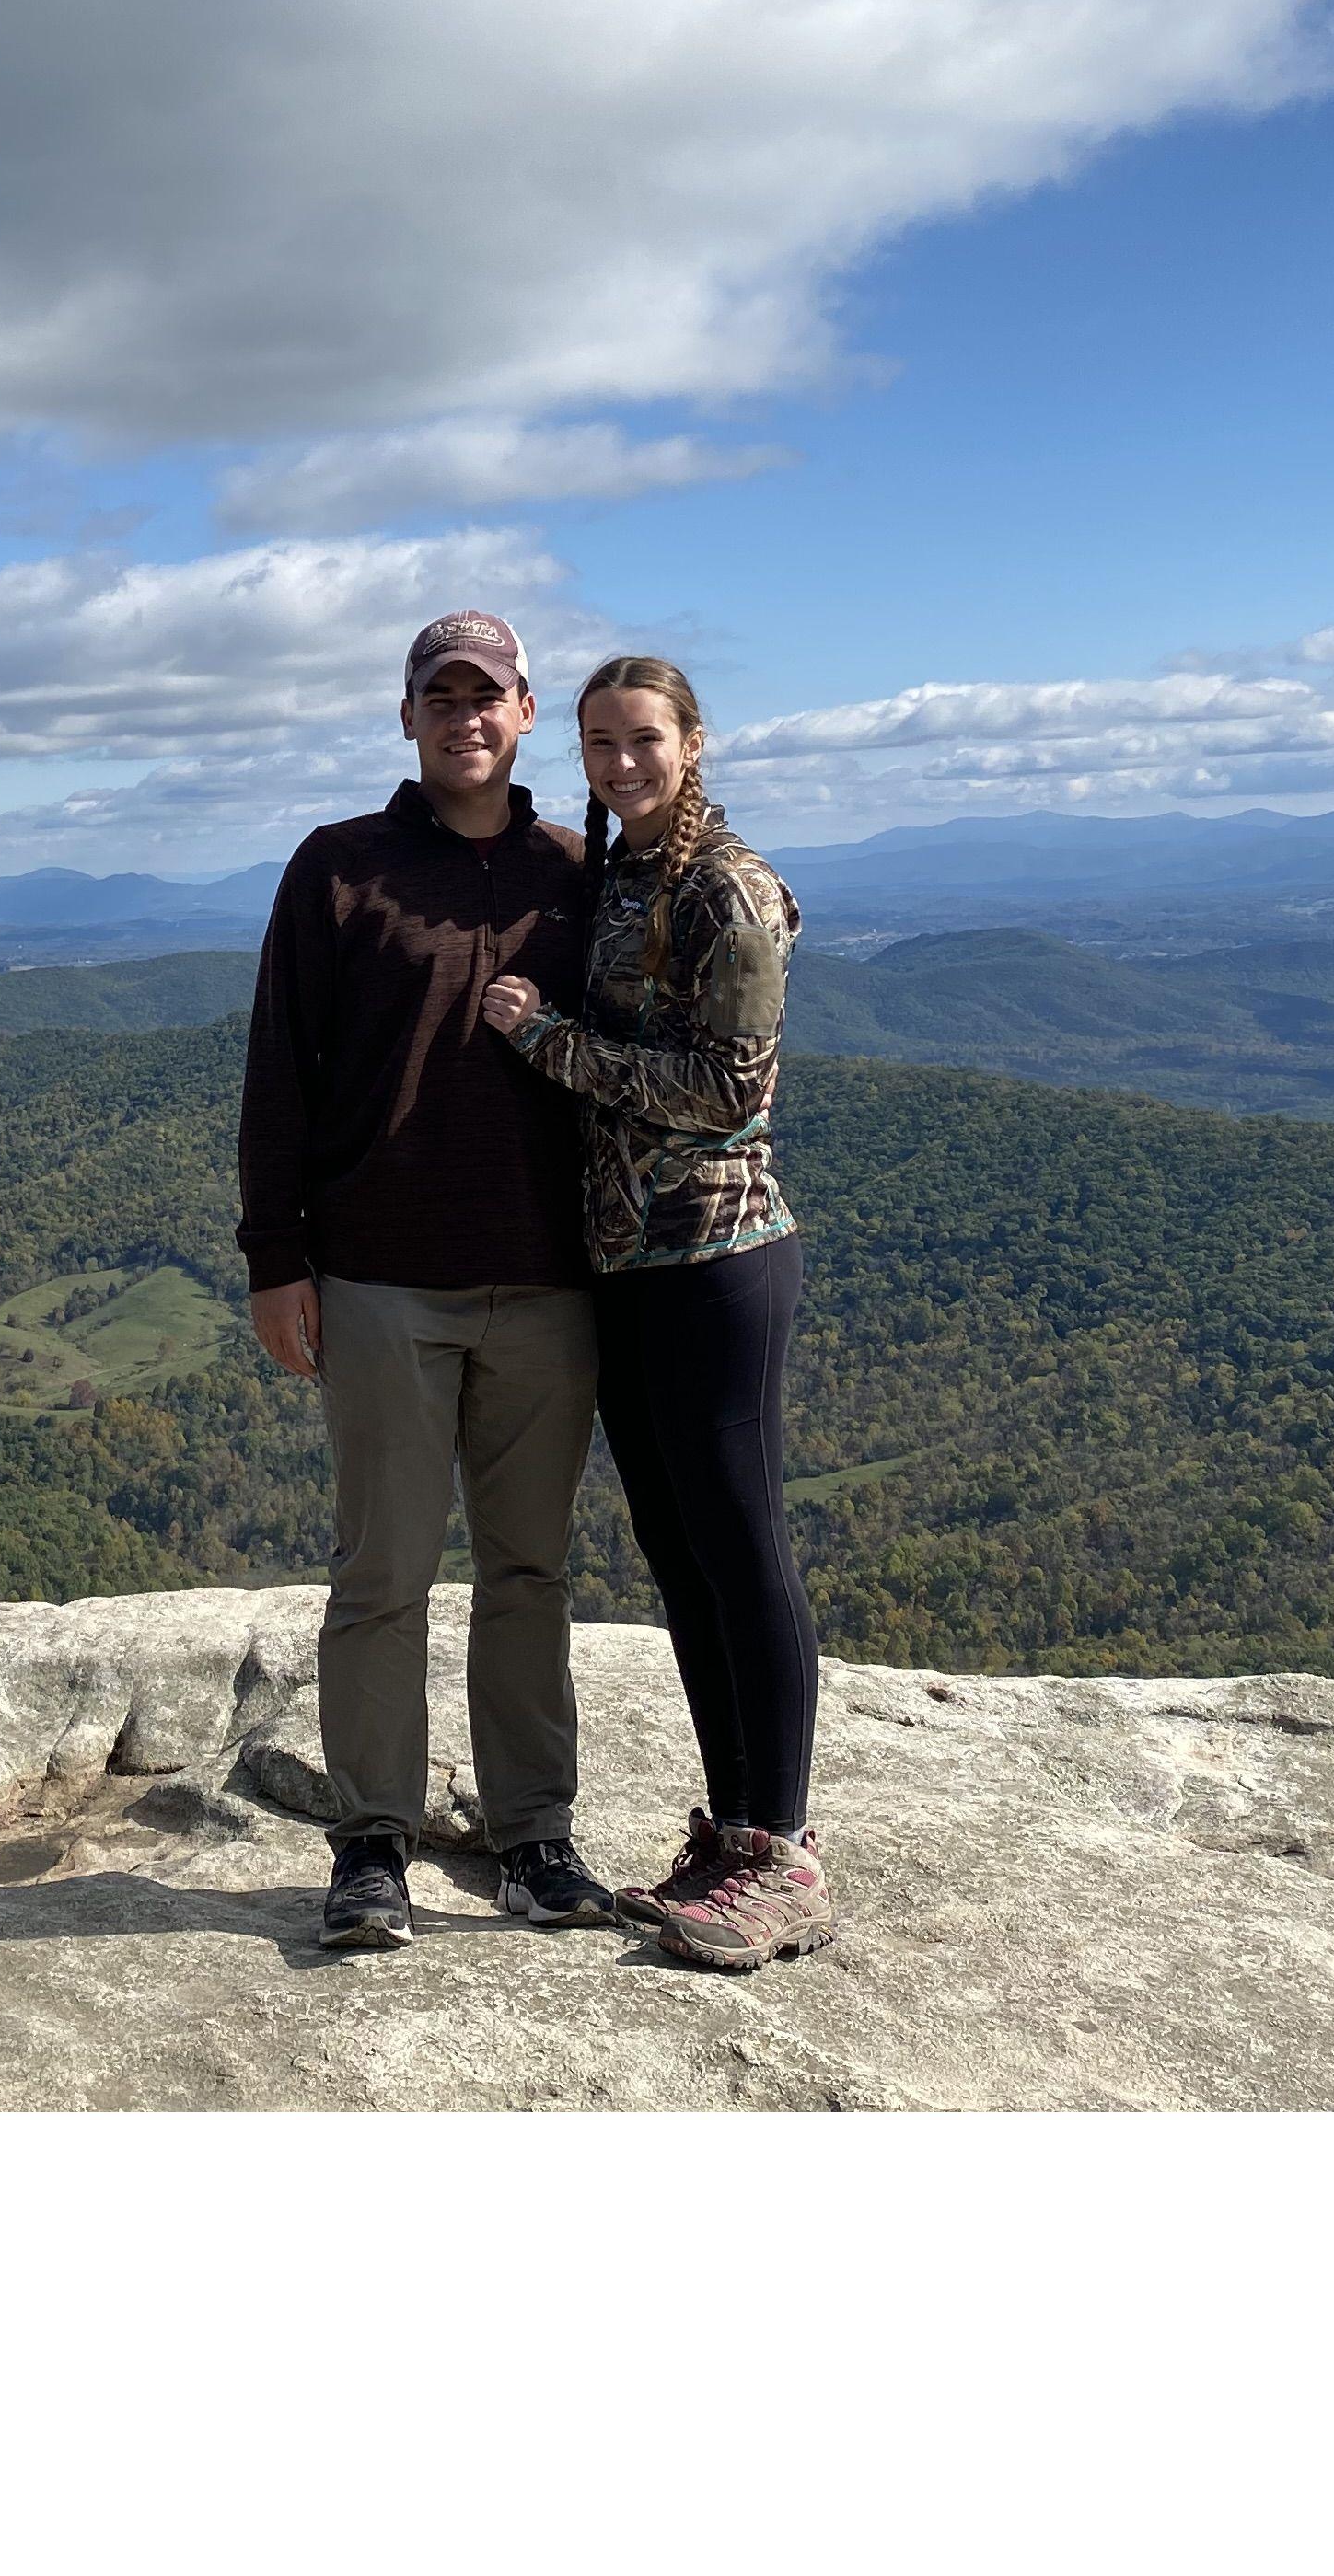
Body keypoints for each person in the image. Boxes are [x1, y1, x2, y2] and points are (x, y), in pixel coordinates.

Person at [238, 610, 618, 1952]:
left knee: (530, 1571)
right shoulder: (338, 869)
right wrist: (276, 1257)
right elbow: (281, 1066)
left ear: (525, 717)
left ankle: (535, 1836)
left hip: (552, 1280)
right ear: (406, 718)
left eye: (488, 693)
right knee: (382, 1574)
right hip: (382, 1275)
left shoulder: (583, 874)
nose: (464, 713)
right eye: (437, 693)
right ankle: (372, 1845)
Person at [479, 655, 830, 1972]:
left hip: (718, 1256)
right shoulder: (619, 876)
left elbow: (730, 1093)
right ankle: (732, 1836)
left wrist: (546, 1040)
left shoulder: (724, 888)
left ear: (693, 742)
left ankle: (786, 1856)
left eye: (643, 740)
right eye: (598, 744)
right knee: (680, 1555)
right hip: (627, 1263)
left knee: (741, 1546)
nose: (620, 763)